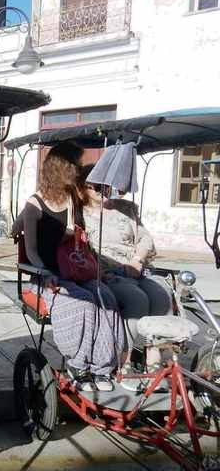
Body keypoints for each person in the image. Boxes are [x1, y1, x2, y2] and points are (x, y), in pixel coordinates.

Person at [14, 143, 125, 392]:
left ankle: (103, 366)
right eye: (75, 165)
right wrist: (47, 275)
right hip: (45, 275)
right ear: (63, 168)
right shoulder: (35, 204)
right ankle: (79, 365)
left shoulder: (72, 197)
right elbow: (31, 250)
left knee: (105, 297)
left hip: (74, 269)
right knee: (83, 302)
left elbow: (80, 237)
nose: (79, 170)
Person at [77, 164, 173, 390]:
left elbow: (146, 239)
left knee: (162, 295)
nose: (102, 190)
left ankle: (154, 358)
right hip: (106, 272)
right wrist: (100, 271)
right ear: (83, 188)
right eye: (95, 186)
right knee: (136, 298)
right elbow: (80, 249)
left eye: (105, 185)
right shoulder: (79, 214)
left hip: (136, 266)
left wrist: (137, 260)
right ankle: (125, 360)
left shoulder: (126, 208)